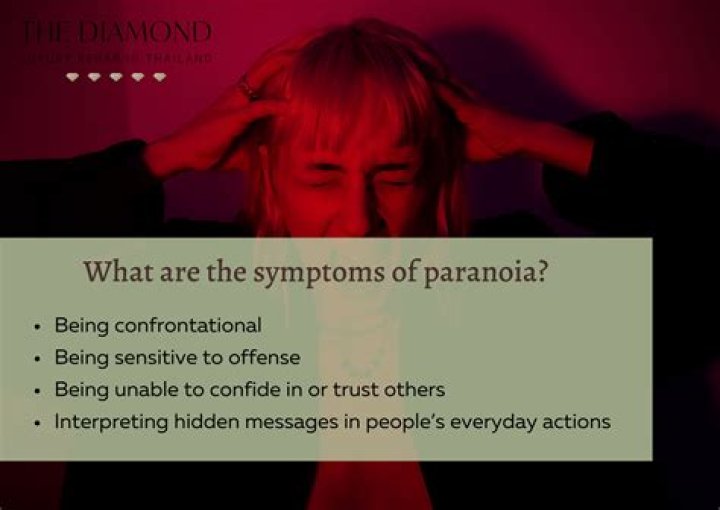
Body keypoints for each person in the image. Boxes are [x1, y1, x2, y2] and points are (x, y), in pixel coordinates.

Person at [1, 17, 718, 510]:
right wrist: (164, 158)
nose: (357, 219)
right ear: (268, 174)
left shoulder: (522, 299)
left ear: (435, 178)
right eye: (321, 173)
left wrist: (539, 139)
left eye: (394, 174)